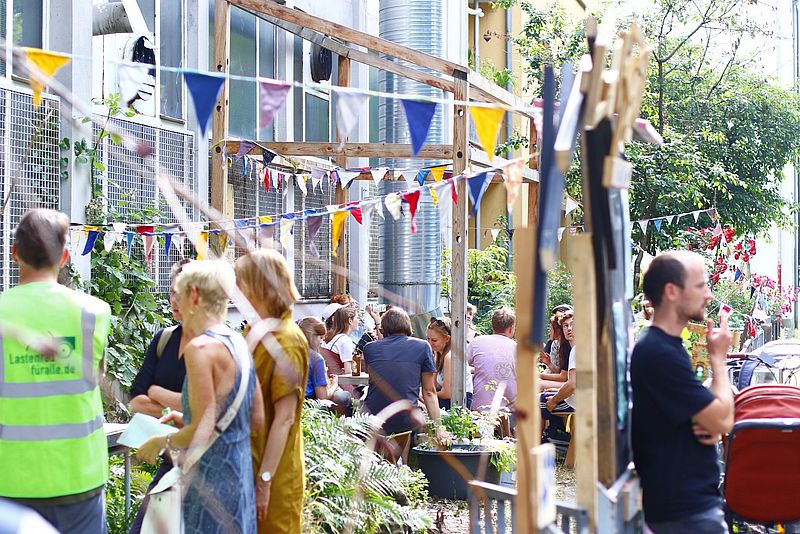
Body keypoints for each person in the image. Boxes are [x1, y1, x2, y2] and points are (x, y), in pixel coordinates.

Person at [0, 209, 111, 533]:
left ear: (14, 252)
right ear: (64, 256)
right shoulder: (94, 313)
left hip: (11, 480)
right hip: (80, 475)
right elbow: (97, 375)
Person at [137, 260, 261, 533]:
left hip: (208, 484)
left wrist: (160, 441)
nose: (176, 303)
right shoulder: (239, 341)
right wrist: (187, 417)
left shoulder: (200, 348)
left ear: (194, 295)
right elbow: (257, 417)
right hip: (239, 479)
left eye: (178, 294)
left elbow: (201, 431)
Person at [631, 251, 733, 533]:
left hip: (687, 508)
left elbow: (701, 414)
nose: (709, 295)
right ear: (672, 291)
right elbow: (723, 419)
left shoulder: (665, 346)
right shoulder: (658, 352)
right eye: (701, 285)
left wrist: (701, 419)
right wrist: (718, 359)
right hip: (685, 514)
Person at [235, 249, 309, 534]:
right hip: (248, 463)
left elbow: (284, 418)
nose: (236, 291)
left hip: (274, 473)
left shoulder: (286, 341)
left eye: (242, 283)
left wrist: (264, 482)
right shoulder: (256, 331)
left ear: (261, 287)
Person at [128, 259, 190, 534]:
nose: (174, 300)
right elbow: (136, 401)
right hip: (168, 463)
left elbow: (208, 408)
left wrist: (158, 393)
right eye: (171, 292)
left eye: (181, 293)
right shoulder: (164, 339)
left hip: (204, 468)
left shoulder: (216, 345)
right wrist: (182, 404)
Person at [363, 307, 445, 460]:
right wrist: (439, 429)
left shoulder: (370, 348)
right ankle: (403, 466)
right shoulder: (422, 347)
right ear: (408, 325)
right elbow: (429, 391)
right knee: (408, 421)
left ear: (384, 327)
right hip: (404, 419)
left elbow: (373, 374)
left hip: (373, 417)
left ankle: (392, 466)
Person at [468, 307, 517, 411]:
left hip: (479, 408)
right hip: (509, 410)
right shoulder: (517, 349)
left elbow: (461, 365)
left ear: (493, 326)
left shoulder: (476, 342)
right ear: (511, 328)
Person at [540, 312, 576, 448]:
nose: (569, 329)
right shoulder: (573, 348)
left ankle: (535, 448)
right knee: (544, 393)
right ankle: (552, 437)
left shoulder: (577, 349)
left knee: (539, 400)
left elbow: (572, 384)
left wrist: (554, 399)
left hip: (582, 403)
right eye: (566, 326)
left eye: (573, 325)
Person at [427, 317, 474, 409]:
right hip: (448, 400)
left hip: (458, 402)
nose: (430, 343)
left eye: (434, 340)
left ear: (447, 339)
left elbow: (448, 393)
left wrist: (427, 395)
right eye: (428, 339)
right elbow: (433, 385)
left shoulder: (450, 357)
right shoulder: (438, 354)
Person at [297, 316, 339, 401]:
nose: (321, 342)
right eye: (320, 338)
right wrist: (335, 384)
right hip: (308, 406)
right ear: (312, 336)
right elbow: (322, 396)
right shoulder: (316, 359)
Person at [540, 311, 574, 390]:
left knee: (539, 384)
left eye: (550, 328)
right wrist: (548, 363)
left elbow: (564, 377)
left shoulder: (568, 346)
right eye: (565, 326)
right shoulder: (558, 345)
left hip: (572, 387)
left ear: (558, 330)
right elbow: (561, 372)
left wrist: (539, 375)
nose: (569, 328)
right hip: (569, 384)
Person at [321, 306, 358, 375]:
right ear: (350, 320)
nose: (359, 321)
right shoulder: (345, 340)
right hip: (339, 381)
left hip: (330, 378)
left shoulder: (330, 336)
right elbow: (348, 371)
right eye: (357, 318)